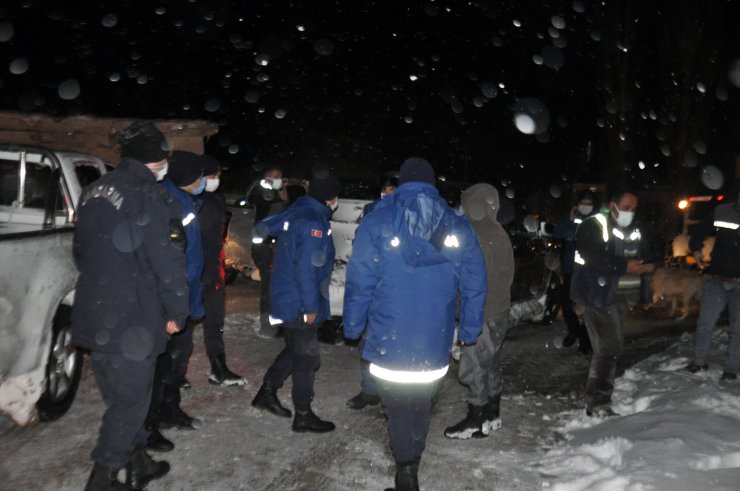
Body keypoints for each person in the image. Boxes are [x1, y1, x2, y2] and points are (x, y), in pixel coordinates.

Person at [343, 157, 487, 491]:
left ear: (402, 182)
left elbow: (360, 279)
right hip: (433, 338)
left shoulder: (378, 220)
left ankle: (405, 468)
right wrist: (468, 330)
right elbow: (476, 283)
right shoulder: (458, 225)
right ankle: (412, 461)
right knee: (421, 403)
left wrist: (352, 326)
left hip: (388, 336)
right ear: (433, 185)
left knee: (397, 407)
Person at [71, 121, 188, 490]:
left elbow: (79, 251)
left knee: (123, 397)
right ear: (156, 158)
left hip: (96, 311)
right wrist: (177, 311)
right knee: (130, 404)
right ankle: (103, 476)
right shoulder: (149, 195)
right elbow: (168, 261)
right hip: (133, 320)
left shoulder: (93, 190)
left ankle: (139, 463)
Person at [250, 172, 341, 433]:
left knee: (295, 349)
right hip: (299, 300)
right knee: (306, 358)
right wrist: (311, 307)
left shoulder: (298, 209)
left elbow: (266, 226)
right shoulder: (314, 222)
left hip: (285, 293)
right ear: (330, 198)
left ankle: (267, 392)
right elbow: (307, 270)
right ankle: (303, 415)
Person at [571, 188, 655, 417]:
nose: (631, 212)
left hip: (618, 297)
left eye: (634, 208)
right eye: (627, 207)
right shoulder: (594, 225)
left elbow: (646, 252)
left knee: (609, 349)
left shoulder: (633, 229)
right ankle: (597, 402)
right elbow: (593, 256)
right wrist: (625, 266)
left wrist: (648, 263)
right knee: (609, 348)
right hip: (596, 296)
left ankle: (598, 398)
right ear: (613, 206)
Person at [444, 183, 514, 439]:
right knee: (491, 363)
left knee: (473, 367)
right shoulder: (497, 231)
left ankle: (476, 419)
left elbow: (472, 281)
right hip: (498, 311)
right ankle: (492, 413)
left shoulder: (478, 234)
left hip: (481, 313)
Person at [146, 151, 206, 445]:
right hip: (169, 301)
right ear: (189, 178)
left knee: (175, 363)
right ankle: (148, 426)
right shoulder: (170, 204)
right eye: (200, 177)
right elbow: (171, 264)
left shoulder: (186, 201)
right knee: (158, 366)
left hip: (184, 297)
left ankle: (169, 410)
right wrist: (174, 308)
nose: (204, 181)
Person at [346, 173, 398, 410]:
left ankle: (395, 395)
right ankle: (369, 390)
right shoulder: (371, 213)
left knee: (396, 346)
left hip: (396, 291)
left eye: (392, 189)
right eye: (386, 189)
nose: (388, 194)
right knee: (368, 343)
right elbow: (362, 251)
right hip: (373, 287)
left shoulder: (408, 216)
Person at [198, 154, 247, 386]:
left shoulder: (215, 197)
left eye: (218, 174)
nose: (217, 178)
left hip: (213, 270)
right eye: (212, 175)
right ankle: (173, 376)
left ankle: (218, 368)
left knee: (214, 322)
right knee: (183, 323)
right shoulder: (190, 200)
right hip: (195, 271)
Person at [684, 178, 740, 381]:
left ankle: (731, 370)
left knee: (738, 329)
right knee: (706, 323)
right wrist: (696, 250)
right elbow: (697, 233)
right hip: (716, 278)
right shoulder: (722, 211)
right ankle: (699, 363)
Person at [553, 189, 597, 354]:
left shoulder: (596, 220)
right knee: (566, 302)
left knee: (587, 306)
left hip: (589, 272)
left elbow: (573, 236)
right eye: (583, 203)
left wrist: (571, 229)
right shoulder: (571, 218)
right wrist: (570, 219)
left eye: (589, 204)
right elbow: (558, 233)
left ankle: (585, 339)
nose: (585, 206)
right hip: (571, 270)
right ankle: (574, 330)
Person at [249, 165, 290, 338]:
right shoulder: (261, 192)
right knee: (269, 287)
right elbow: (271, 216)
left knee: (274, 285)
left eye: (280, 176)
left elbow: (285, 206)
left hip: (272, 245)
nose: (277, 179)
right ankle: (268, 326)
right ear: (266, 176)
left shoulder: (274, 192)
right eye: (274, 176)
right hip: (264, 247)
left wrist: (282, 190)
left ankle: (275, 323)